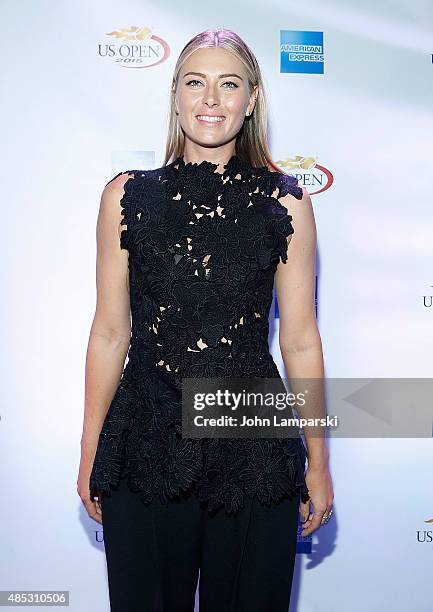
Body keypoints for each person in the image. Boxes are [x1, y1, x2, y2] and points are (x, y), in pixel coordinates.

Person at [77, 28, 333, 612]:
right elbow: (110, 332)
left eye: (229, 84)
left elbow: (299, 341)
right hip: (145, 437)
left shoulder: (286, 202)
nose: (211, 99)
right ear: (175, 96)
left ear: (251, 100)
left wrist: (318, 461)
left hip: (253, 442)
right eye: (195, 82)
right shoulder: (126, 196)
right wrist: (91, 448)